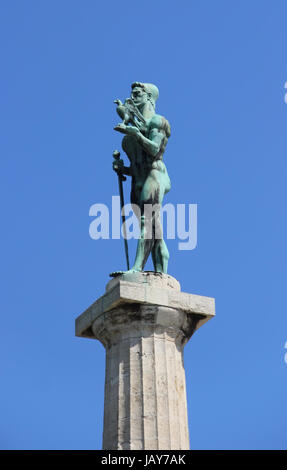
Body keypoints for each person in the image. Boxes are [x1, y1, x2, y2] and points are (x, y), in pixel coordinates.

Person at [112, 82, 171, 274]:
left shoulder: (158, 122)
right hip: (137, 180)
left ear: (148, 97)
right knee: (154, 230)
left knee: (147, 221)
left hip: (155, 175)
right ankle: (162, 275)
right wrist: (123, 170)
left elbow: (154, 150)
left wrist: (137, 134)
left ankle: (136, 268)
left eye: (137, 94)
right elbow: (137, 163)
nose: (132, 97)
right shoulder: (133, 125)